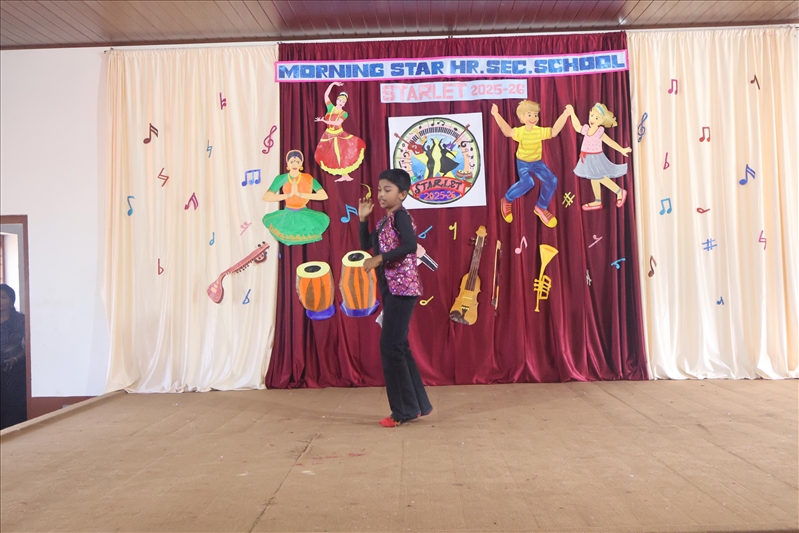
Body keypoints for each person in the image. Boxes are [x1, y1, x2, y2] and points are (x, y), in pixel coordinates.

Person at [359, 169, 432, 427]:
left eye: (387, 190)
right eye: (379, 189)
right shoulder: (384, 221)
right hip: (392, 290)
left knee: (390, 347)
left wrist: (379, 259)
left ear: (402, 194)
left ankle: (403, 411)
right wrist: (363, 219)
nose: (381, 194)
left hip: (403, 290)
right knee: (398, 346)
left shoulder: (401, 216)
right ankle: (417, 406)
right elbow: (366, 246)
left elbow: (410, 245)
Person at [491, 100, 570, 228]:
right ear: (521, 118)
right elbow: (507, 131)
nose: (533, 118)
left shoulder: (539, 131)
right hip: (523, 163)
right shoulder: (520, 132)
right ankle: (507, 199)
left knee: (552, 180)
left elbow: (554, 131)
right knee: (528, 183)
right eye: (529, 114)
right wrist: (496, 114)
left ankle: (541, 207)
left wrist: (565, 115)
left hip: (537, 162)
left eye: (535, 114)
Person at [565, 103, 632, 210]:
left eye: (596, 118)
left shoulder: (599, 132)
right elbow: (577, 127)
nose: (592, 119)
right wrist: (572, 114)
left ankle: (619, 191)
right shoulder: (586, 129)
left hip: (596, 158)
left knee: (599, 177)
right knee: (594, 178)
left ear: (601, 121)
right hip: (587, 158)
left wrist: (621, 149)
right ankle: (598, 200)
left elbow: (610, 142)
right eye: (592, 115)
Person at [262, 149, 330, 246]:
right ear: (287, 164)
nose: (294, 164)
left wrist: (300, 194)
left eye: (297, 162)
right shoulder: (281, 178)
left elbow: (323, 196)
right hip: (287, 214)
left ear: (301, 164)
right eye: (292, 162)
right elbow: (266, 197)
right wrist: (288, 195)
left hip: (304, 214)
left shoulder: (308, 178)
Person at [314, 81, 367, 182]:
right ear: (337, 100)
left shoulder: (344, 113)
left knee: (342, 154)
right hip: (328, 135)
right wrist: (333, 84)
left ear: (344, 104)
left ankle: (345, 175)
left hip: (339, 134)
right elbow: (326, 95)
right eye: (340, 100)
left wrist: (324, 121)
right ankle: (344, 175)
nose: (341, 102)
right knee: (332, 155)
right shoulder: (330, 108)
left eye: (343, 101)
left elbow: (337, 122)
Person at [1, 284, 27, 429]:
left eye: (3, 297)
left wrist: (15, 359)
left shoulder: (21, 321)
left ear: (11, 301)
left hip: (15, 371)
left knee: (14, 410)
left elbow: (29, 346)